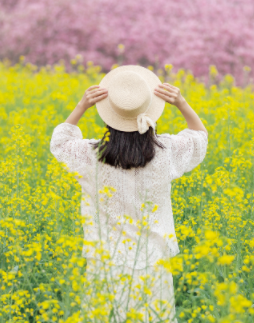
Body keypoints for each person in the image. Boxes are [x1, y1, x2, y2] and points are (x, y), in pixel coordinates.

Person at [50, 65, 208, 323]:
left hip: (106, 259)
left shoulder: (91, 156)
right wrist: (182, 103)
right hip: (153, 260)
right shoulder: (166, 152)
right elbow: (199, 137)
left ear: (108, 118)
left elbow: (60, 143)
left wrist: (81, 106)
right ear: (149, 111)